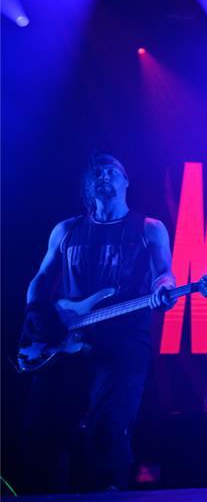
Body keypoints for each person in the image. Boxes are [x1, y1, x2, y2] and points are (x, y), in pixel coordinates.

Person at [20, 153, 176, 492]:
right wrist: (34, 312)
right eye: (98, 172)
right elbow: (41, 278)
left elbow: (164, 273)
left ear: (126, 182)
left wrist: (164, 289)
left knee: (108, 426)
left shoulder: (149, 228)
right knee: (41, 426)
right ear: (90, 185)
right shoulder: (66, 230)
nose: (104, 175)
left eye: (113, 171)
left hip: (124, 340)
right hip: (68, 339)